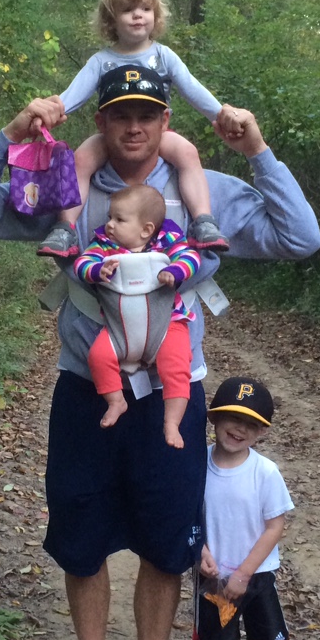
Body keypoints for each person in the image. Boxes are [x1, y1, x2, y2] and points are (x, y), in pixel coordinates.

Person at [0, 64, 320, 640]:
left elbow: (301, 238)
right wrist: (11, 134)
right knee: (83, 542)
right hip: (87, 394)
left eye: (148, 113)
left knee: (163, 544)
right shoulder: (66, 186)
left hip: (170, 400)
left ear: (166, 122)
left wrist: (258, 153)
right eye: (120, 114)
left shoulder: (207, 191)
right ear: (103, 122)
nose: (135, 126)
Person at [37, 0, 242, 260]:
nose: (138, 16)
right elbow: (74, 95)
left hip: (156, 133)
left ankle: (203, 222)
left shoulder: (164, 56)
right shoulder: (101, 61)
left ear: (156, 16)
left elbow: (193, 89)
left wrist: (223, 113)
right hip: (112, 134)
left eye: (146, 9)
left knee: (187, 152)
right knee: (80, 159)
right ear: (111, 18)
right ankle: (65, 229)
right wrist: (50, 112)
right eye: (128, 9)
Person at [194, 376, 301, 640]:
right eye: (231, 417)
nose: (239, 428)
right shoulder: (198, 461)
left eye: (251, 423)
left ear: (260, 432)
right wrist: (200, 549)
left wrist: (243, 574)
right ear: (214, 418)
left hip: (254, 580)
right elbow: (191, 513)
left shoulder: (264, 472)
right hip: (213, 579)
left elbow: (275, 525)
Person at [74, 184, 200, 447]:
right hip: (118, 328)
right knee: (98, 356)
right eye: (110, 217)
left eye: (119, 219)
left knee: (177, 366)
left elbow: (191, 258)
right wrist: (97, 271)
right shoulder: (105, 246)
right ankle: (116, 401)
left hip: (167, 324)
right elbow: (81, 264)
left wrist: (176, 271)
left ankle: (172, 423)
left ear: (146, 229)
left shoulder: (167, 242)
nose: (109, 224)